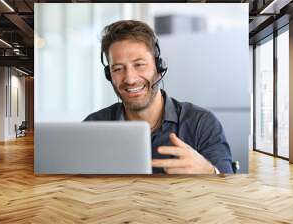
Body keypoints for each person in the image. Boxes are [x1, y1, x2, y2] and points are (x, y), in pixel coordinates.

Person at [84, 20, 233, 174]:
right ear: (109, 75)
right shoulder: (93, 126)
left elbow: (229, 190)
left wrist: (209, 171)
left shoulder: (201, 123)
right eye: (118, 68)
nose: (130, 79)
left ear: (158, 68)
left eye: (139, 64)